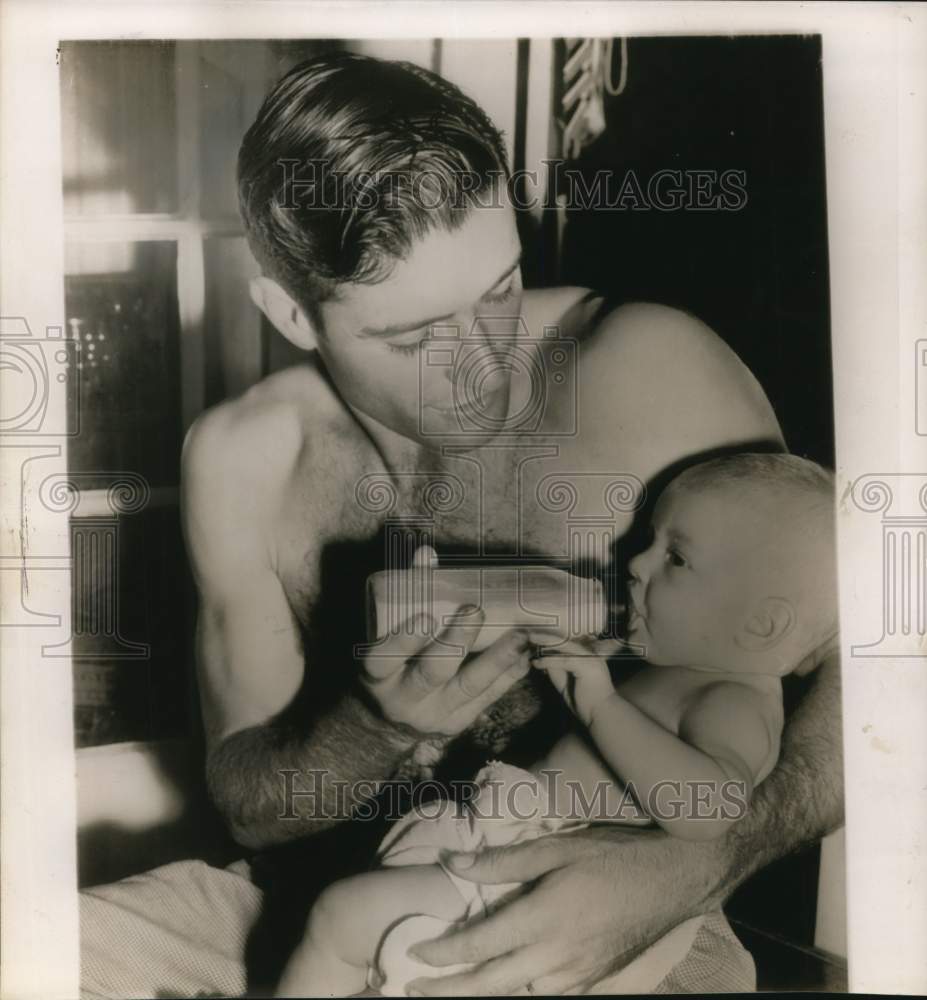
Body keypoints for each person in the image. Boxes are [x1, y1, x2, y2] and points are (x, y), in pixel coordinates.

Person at [80, 51, 844, 998]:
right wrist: (370, 729)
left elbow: (874, 671)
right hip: (318, 904)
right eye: (411, 338)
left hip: (619, 918)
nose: (481, 366)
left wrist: (685, 873)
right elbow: (252, 805)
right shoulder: (245, 459)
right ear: (289, 311)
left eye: (498, 290)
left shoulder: (648, 375)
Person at [273, 453, 838, 997]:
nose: (637, 564)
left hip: (554, 882)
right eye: (650, 541)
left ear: (762, 624)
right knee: (396, 964)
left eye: (677, 559)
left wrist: (601, 707)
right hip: (507, 854)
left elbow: (712, 808)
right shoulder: (678, 664)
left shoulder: (733, 701)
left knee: (339, 920)